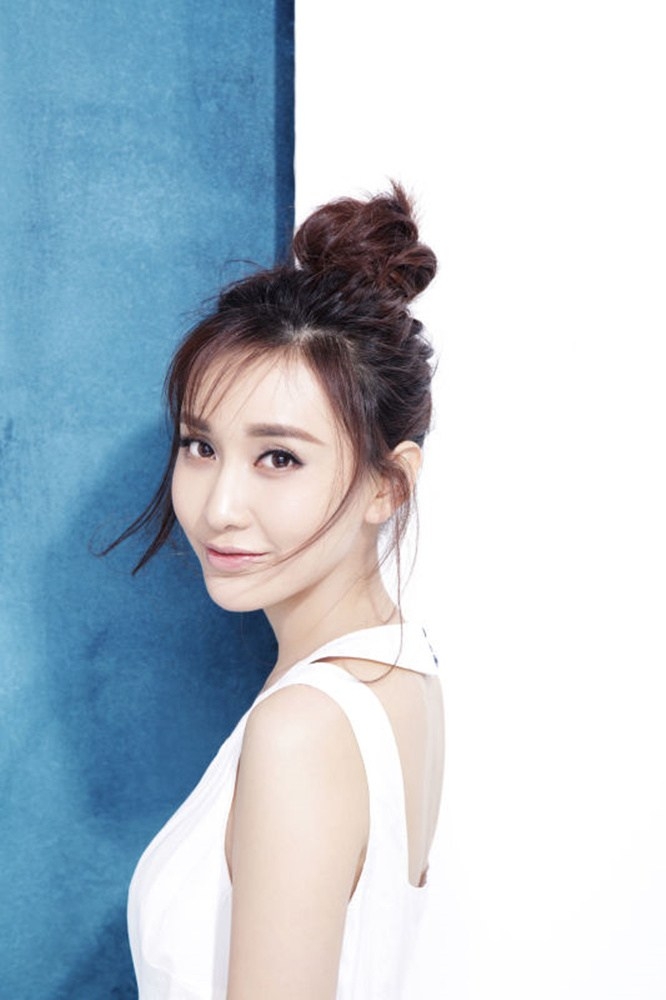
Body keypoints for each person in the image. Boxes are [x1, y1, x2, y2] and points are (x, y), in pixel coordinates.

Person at [116, 183, 444, 999]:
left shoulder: (303, 729)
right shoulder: (401, 668)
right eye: (201, 446)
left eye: (279, 458)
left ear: (388, 486)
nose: (219, 507)